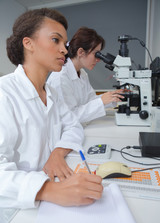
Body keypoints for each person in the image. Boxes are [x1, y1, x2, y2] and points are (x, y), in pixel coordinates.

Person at [0, 8, 103, 209]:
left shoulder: (51, 93)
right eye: (55, 40)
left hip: (51, 191)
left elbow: (73, 126)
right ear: (28, 43)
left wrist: (57, 153)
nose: (65, 50)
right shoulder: (5, 94)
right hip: (15, 209)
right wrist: (48, 190)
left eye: (64, 43)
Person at [48, 27, 124, 124]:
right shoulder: (60, 78)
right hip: (65, 134)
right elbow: (69, 117)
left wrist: (112, 97)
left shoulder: (82, 73)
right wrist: (101, 101)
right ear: (80, 52)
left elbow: (90, 101)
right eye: (96, 54)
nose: (99, 59)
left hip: (80, 128)